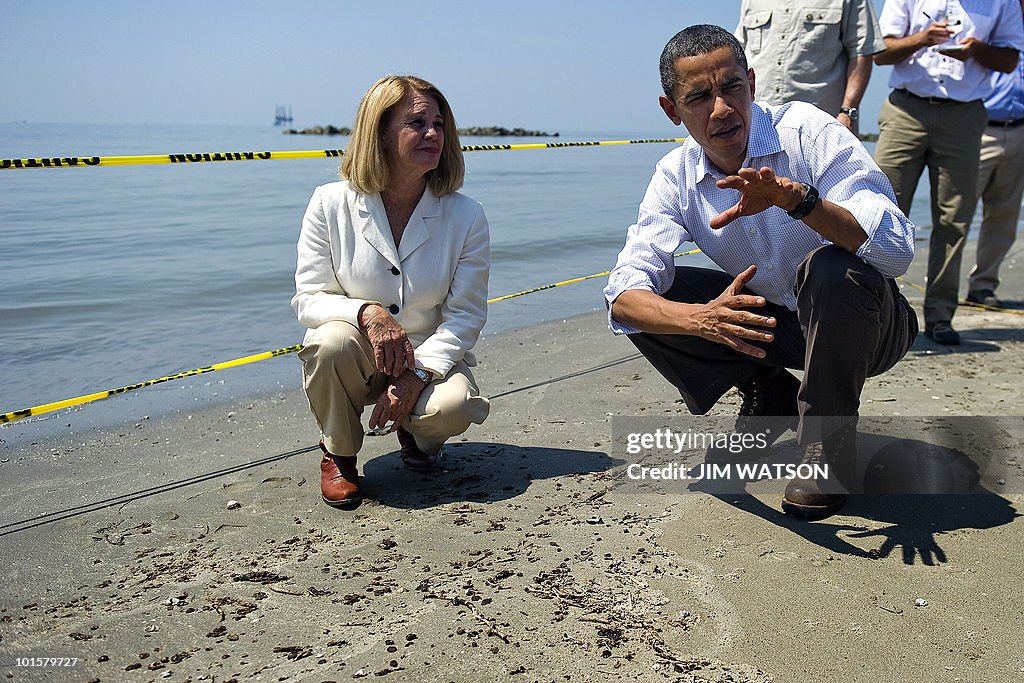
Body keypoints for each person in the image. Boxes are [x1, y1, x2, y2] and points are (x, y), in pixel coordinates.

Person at [604, 24, 917, 519]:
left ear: (751, 82)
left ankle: (826, 447)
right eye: (700, 97)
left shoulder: (808, 132)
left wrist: (801, 202)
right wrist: (701, 320)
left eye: (731, 87)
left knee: (832, 268)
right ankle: (770, 392)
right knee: (661, 299)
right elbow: (623, 293)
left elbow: (897, 251)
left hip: (872, 324)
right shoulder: (676, 175)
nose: (722, 109)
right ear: (671, 110)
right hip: (781, 325)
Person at [292, 75, 491, 509]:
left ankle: (418, 433)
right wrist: (368, 313)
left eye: (439, 124)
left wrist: (415, 374)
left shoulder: (467, 215)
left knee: (454, 407)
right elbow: (308, 299)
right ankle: (339, 454)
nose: (433, 134)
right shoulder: (329, 202)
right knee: (329, 341)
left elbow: (466, 316)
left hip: (427, 353)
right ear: (379, 132)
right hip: (356, 351)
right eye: (417, 122)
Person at [872, 0, 1024, 344]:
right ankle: (876, 311)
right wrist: (922, 39)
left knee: (954, 219)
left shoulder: (1002, 2)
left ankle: (940, 316)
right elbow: (880, 52)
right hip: (906, 110)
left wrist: (978, 50)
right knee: (880, 210)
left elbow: (1010, 59)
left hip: (965, 115)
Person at [735, 0, 885, 134]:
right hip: (757, 122)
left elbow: (862, 53)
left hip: (820, 128)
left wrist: (847, 112)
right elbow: (737, 55)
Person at [968, 6, 1024, 309]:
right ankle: (941, 292)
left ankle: (982, 286)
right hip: (978, 127)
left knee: (1004, 215)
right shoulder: (989, 22)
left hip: (1020, 130)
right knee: (956, 212)